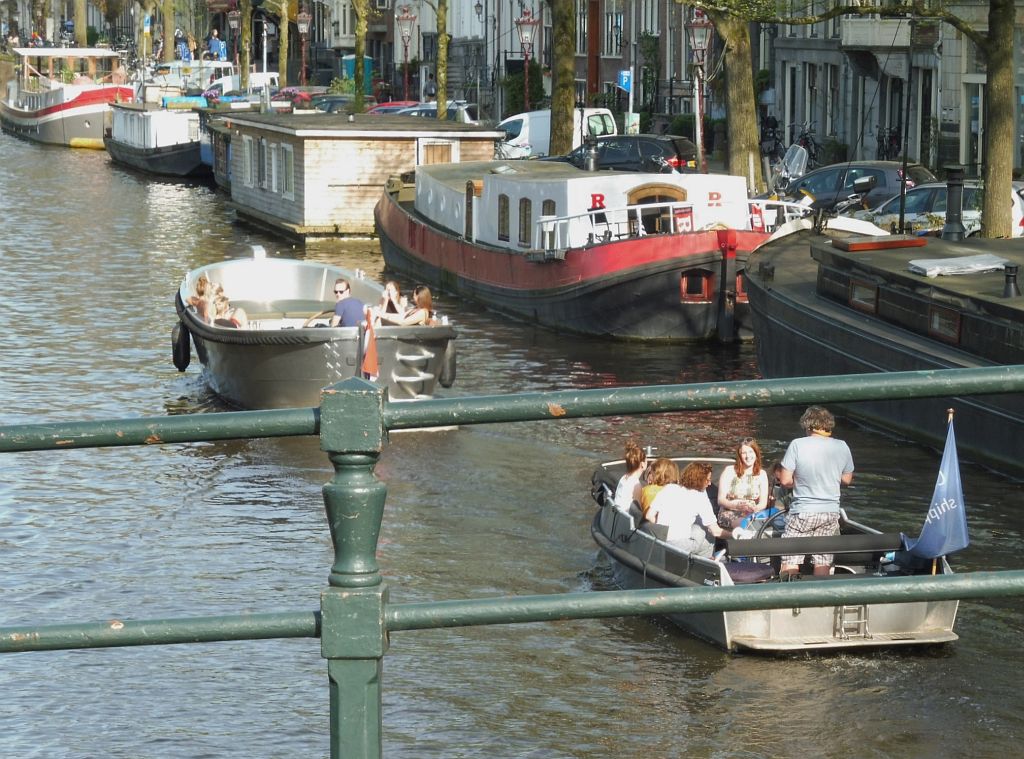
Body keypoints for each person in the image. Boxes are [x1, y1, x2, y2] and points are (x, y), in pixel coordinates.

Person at [777, 406, 855, 577]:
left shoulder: (797, 444)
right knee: (822, 560)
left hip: (803, 512)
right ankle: (820, 592)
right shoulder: (842, 446)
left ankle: (789, 590)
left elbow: (785, 480)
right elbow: (847, 479)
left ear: (807, 425)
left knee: (790, 559)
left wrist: (803, 480)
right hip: (830, 512)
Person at [645, 461, 731, 557]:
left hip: (661, 540)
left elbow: (649, 516)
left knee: (698, 529)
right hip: (680, 545)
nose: (710, 483)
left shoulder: (668, 488)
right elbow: (715, 531)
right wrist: (734, 535)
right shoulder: (700, 497)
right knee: (707, 534)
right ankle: (707, 560)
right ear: (699, 480)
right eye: (707, 480)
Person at [716, 438, 770, 529]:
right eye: (744, 453)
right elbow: (720, 500)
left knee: (760, 523)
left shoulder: (762, 474)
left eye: (751, 452)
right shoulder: (729, 471)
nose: (748, 456)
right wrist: (736, 506)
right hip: (730, 512)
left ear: (756, 453)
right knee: (745, 524)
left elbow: (763, 503)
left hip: (752, 513)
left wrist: (754, 509)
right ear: (739, 455)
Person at [612, 440, 646, 512]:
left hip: (618, 514)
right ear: (642, 464)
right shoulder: (636, 485)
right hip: (627, 517)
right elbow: (638, 511)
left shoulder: (624, 477)